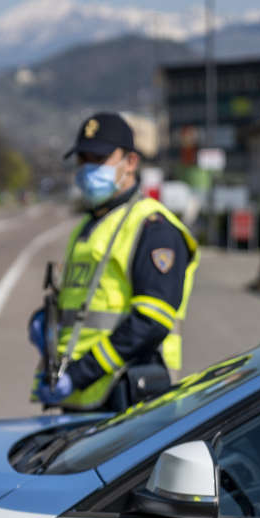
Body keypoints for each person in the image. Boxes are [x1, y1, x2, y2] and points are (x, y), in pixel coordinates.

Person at [32, 112, 200, 412]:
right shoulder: (89, 225)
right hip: (81, 393)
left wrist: (81, 373)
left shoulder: (154, 228)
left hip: (127, 393)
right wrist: (49, 324)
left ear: (131, 162)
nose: (87, 168)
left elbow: (152, 321)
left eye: (99, 158)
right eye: (83, 159)